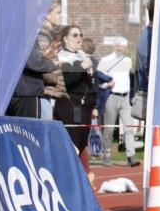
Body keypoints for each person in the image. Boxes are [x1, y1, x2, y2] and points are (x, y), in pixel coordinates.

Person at [53, 25, 96, 174]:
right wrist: (81, 67)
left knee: (82, 143)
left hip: (85, 106)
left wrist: (94, 103)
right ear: (65, 39)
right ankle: (67, 177)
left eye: (81, 35)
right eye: (75, 35)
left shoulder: (82, 54)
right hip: (69, 106)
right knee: (73, 145)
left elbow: (90, 82)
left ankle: (77, 177)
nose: (79, 38)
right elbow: (67, 81)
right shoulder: (62, 57)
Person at [97, 38, 139, 167]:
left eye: (124, 46)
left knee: (129, 127)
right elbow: (96, 78)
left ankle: (131, 156)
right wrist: (106, 85)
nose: (122, 48)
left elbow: (129, 79)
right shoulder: (105, 60)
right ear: (115, 46)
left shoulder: (127, 61)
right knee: (109, 128)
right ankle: (107, 154)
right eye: (120, 46)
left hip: (125, 98)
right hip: (111, 96)